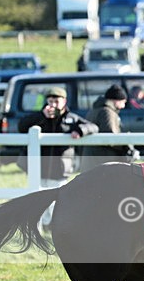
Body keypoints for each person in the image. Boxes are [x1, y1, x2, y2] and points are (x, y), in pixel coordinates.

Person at [18, 86, 98, 228]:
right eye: (50, 101)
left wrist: (80, 130)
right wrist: (42, 116)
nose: (53, 105)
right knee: (38, 200)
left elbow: (93, 127)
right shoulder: (39, 117)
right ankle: (39, 228)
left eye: (56, 101)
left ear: (64, 101)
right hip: (39, 169)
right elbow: (21, 126)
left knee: (56, 203)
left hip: (60, 170)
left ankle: (53, 228)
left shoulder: (72, 118)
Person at [81, 84, 137, 172]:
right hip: (102, 163)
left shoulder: (95, 110)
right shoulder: (107, 112)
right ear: (116, 100)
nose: (123, 106)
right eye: (123, 102)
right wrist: (127, 147)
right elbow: (110, 138)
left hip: (91, 162)